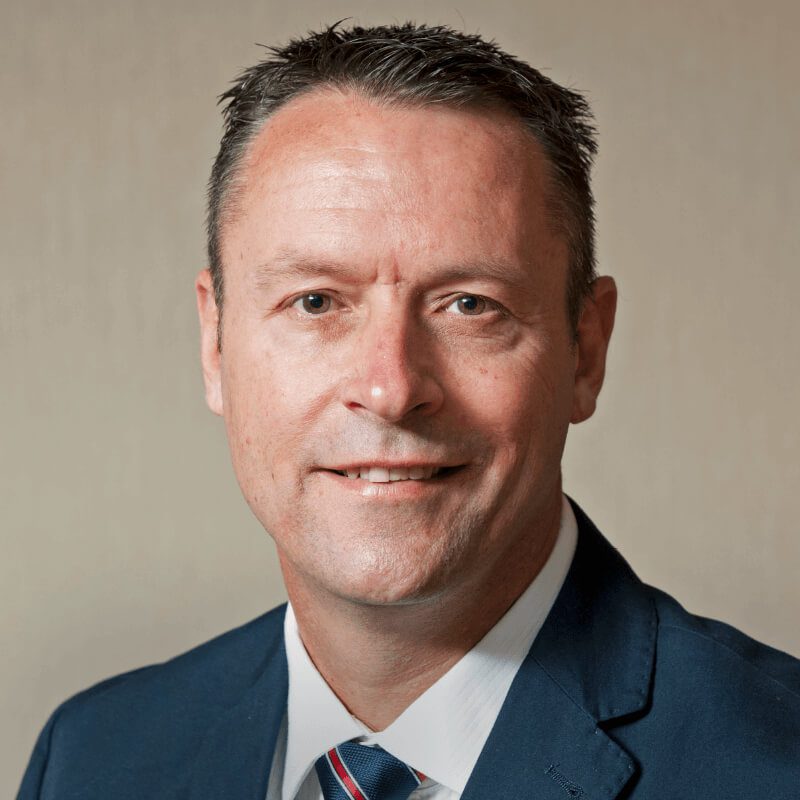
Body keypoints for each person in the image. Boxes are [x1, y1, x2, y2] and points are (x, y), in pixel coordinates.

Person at [18, 22, 800, 800]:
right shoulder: (92, 758)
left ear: (585, 353)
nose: (391, 388)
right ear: (215, 343)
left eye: (469, 305)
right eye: (316, 301)